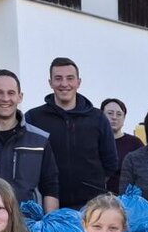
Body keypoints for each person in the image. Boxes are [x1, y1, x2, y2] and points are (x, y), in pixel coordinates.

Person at [26, 57, 118, 209]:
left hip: (91, 206)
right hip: (48, 204)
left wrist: (90, 185)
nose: (64, 84)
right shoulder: (34, 118)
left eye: (70, 78)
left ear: (78, 82)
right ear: (50, 83)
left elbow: (110, 162)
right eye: (58, 78)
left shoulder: (97, 118)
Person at [0, 69, 60, 212]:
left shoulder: (39, 140)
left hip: (27, 226)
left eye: (11, 93)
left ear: (20, 97)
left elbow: (50, 187)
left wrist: (49, 226)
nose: (5, 98)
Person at [102, 98, 144, 194]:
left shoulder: (135, 143)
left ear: (124, 118)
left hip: (126, 201)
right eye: (110, 113)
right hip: (98, 200)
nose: (114, 117)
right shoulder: (93, 142)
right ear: (101, 116)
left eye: (119, 114)